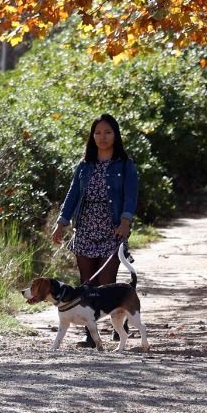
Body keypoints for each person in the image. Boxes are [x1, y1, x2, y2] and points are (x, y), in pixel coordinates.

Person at [52, 113, 139, 287]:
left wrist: (125, 221)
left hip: (112, 231)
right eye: (97, 133)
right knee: (87, 285)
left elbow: (131, 196)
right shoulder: (85, 164)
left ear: (115, 135)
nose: (102, 137)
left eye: (107, 132)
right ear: (92, 136)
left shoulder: (124, 164)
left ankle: (110, 314)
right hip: (85, 230)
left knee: (106, 284)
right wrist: (61, 223)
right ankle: (89, 315)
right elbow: (72, 194)